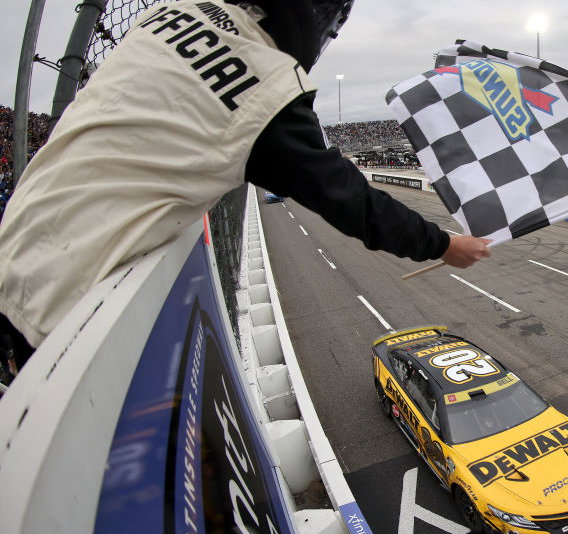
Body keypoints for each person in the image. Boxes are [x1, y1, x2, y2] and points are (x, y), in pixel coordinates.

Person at [0, 0, 492, 376]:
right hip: (68, 312)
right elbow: (349, 198)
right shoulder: (268, 86)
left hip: (16, 241)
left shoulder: (172, 10)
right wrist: (444, 244)